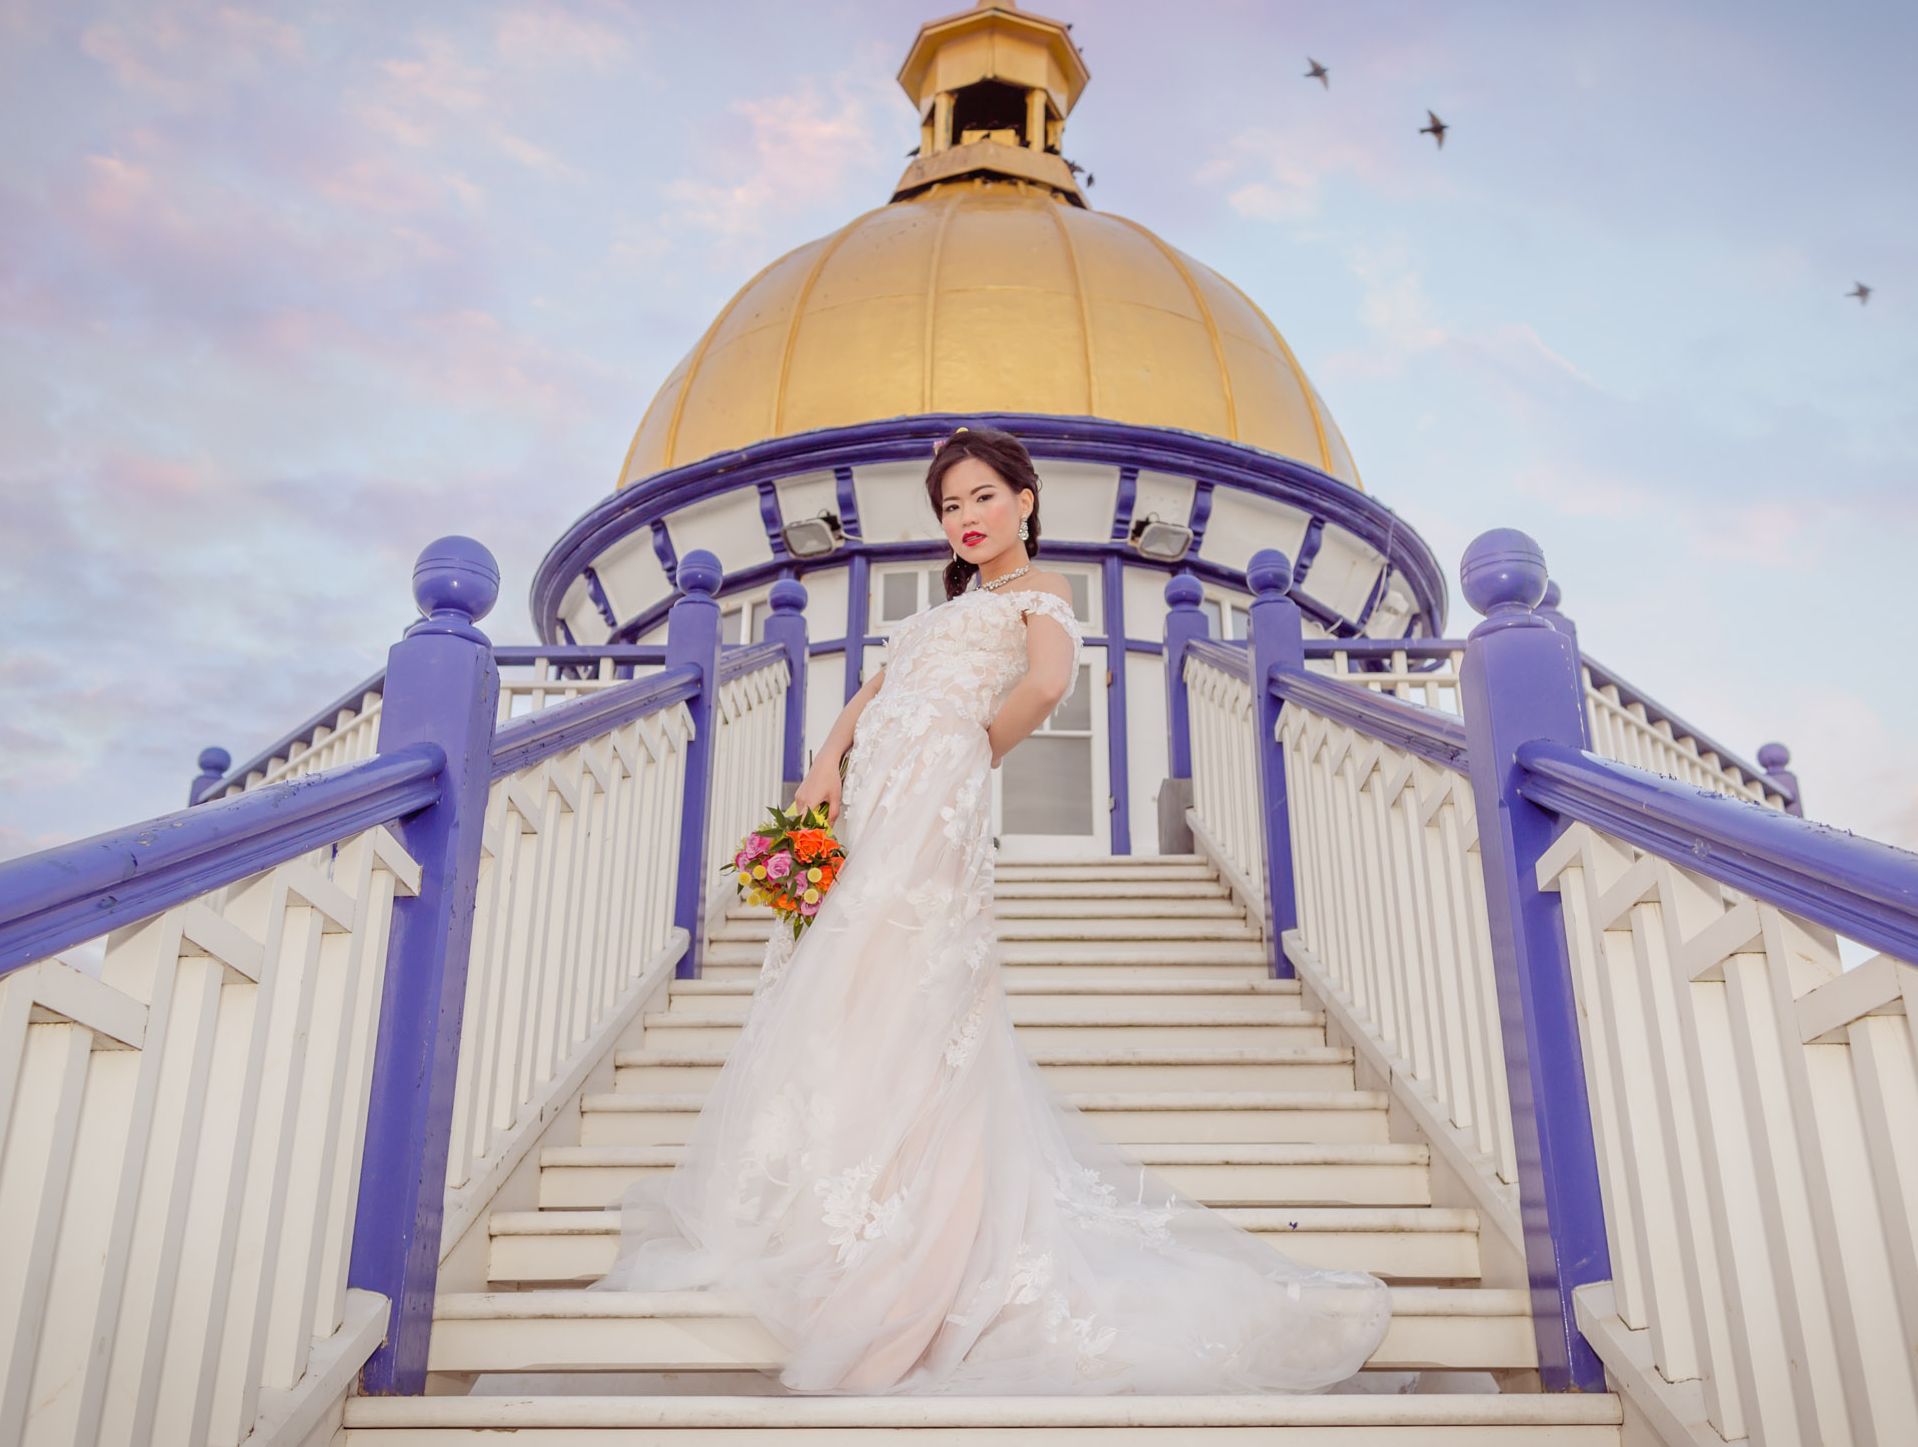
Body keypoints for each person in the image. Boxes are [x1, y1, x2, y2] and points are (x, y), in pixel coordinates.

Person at [593, 426, 1391, 1394]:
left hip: (935, 786)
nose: (966, 518)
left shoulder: (1041, 592)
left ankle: (924, 1240)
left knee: (911, 974)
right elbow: (871, 691)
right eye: (949, 505)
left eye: (981, 497)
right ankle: (845, 1198)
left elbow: (1049, 680)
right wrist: (820, 769)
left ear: (1023, 497)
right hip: (874, 784)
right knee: (847, 979)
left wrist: (970, 750)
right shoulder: (945, 608)